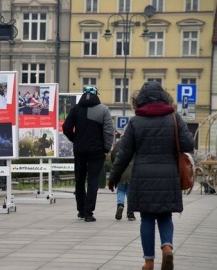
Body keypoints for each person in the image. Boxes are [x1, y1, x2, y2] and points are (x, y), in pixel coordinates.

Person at [108, 81, 194, 270]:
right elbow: (189, 144)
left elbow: (124, 154)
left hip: (143, 177)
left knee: (147, 218)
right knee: (165, 216)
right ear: (164, 97)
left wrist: (113, 177)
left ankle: (148, 262)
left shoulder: (135, 122)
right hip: (168, 174)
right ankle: (167, 248)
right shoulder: (174, 118)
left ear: (140, 100)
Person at [62, 85, 113, 222]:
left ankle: (81, 210)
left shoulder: (75, 109)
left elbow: (66, 128)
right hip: (97, 151)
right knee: (93, 181)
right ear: (97, 94)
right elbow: (108, 131)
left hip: (79, 150)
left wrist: (76, 140)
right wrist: (106, 148)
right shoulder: (104, 110)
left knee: (79, 180)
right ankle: (89, 213)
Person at [111, 90, 140, 221]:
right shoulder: (135, 143)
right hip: (133, 172)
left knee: (121, 190)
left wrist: (114, 167)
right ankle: (130, 212)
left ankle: (120, 204)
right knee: (131, 192)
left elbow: (113, 155)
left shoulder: (119, 144)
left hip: (122, 172)